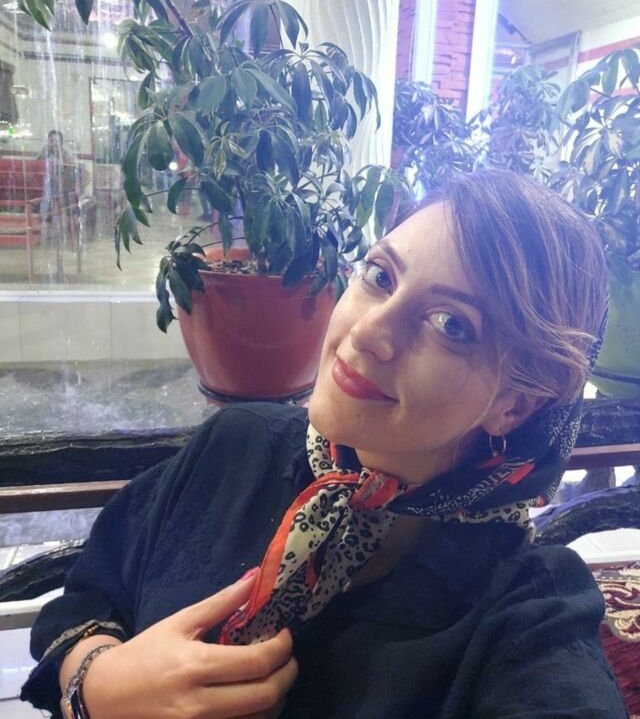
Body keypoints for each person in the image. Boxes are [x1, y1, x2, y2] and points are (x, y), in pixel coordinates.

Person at [22, 170, 627, 718]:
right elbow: (87, 597)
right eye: (381, 276)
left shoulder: (527, 610)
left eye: (451, 325)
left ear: (516, 403)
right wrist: (96, 684)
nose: (367, 332)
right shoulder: (236, 445)